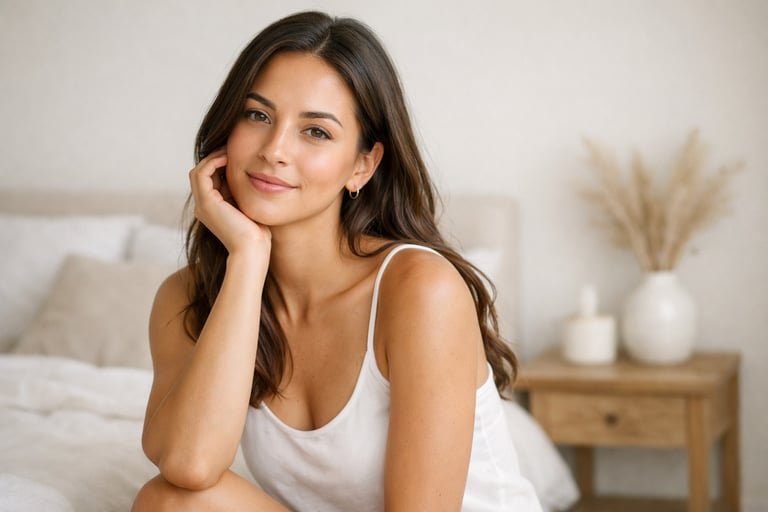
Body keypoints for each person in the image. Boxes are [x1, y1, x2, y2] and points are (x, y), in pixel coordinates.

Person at [132, 10, 541, 512]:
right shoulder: (187, 297)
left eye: (316, 132)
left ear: (362, 165)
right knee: (169, 502)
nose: (275, 150)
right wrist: (246, 260)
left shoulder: (420, 289)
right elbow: (189, 464)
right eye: (257, 115)